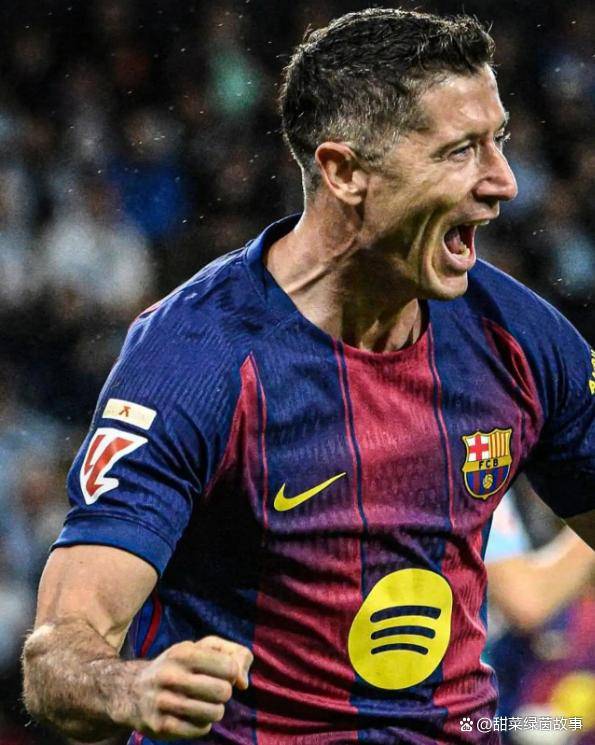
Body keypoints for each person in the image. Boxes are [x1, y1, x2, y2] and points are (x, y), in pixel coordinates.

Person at [22, 8, 594, 745]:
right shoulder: (195, 359)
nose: (503, 182)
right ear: (344, 171)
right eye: (460, 151)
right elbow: (56, 656)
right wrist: (130, 685)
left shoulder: (517, 336)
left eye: (498, 141)